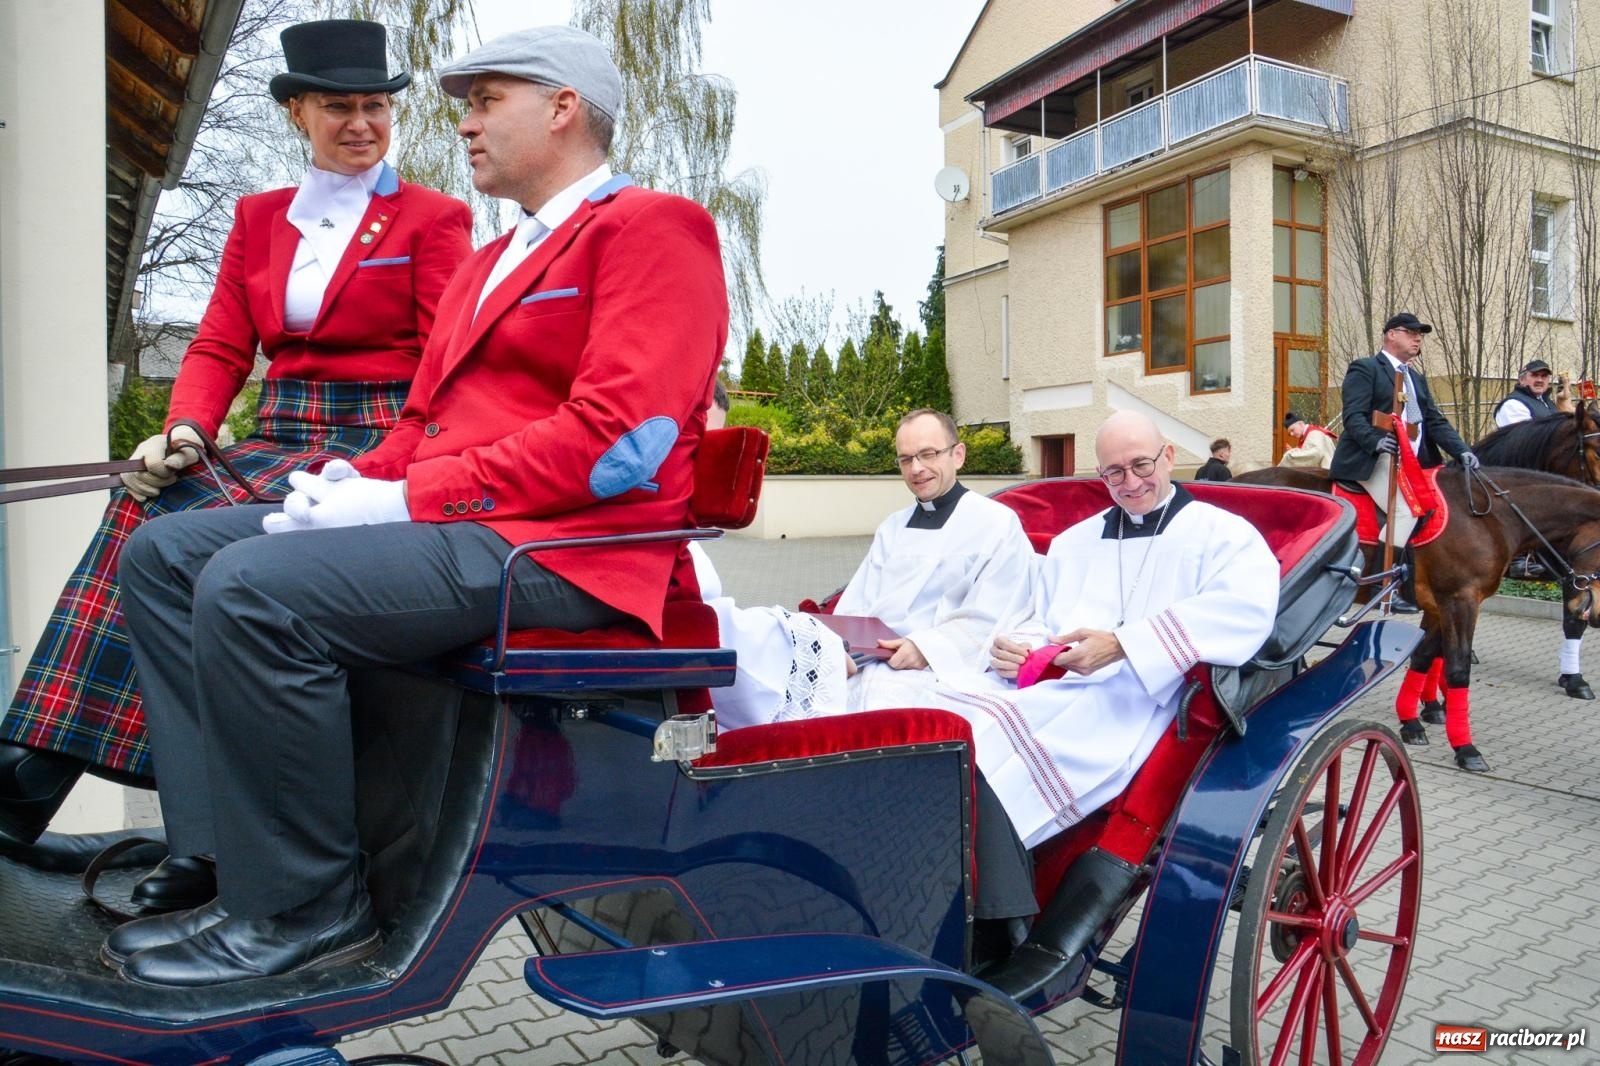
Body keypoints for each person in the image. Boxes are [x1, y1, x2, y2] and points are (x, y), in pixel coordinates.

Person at [104, 24, 728, 987]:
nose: (464, 126)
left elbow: (620, 444)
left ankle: (310, 906)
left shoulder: (652, 227)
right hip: (467, 522)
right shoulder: (487, 262)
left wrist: (407, 496)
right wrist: (356, 482)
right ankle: (231, 861)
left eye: (484, 103)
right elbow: (426, 420)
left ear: (562, 107)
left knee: (251, 589)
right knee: (165, 554)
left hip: (562, 551)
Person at [0, 19, 473, 906]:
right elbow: (220, 342)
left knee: (185, 537)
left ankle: (78, 795)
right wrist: (183, 428)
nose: (362, 122)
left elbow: (448, 358)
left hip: (374, 432)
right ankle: (43, 780)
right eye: (340, 105)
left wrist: (402, 462)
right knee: (141, 505)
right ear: (299, 112)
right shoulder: (260, 219)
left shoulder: (433, 218)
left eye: (376, 105)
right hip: (279, 426)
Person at [882, 411, 1277, 972]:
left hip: (1142, 700)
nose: (1130, 481)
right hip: (1061, 688)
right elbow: (1038, 620)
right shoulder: (1074, 542)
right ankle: (961, 898)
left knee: (993, 755)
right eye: (1114, 472)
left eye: (1141, 464)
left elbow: (1243, 614)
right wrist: (1014, 647)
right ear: (1100, 474)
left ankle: (1000, 923)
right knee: (959, 734)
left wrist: (1121, 645)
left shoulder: (1224, 536)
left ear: (1168, 457)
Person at [1328, 313, 1478, 612]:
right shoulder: (1366, 368)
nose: (1417, 337)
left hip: (1412, 462)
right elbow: (1353, 416)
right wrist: (1374, 441)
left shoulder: (1415, 379)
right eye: (1411, 332)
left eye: (1420, 333)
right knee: (1407, 510)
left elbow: (1433, 420)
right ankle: (1378, 584)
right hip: (1373, 457)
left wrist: (1461, 450)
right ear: (1391, 335)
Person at [1494, 358, 1559, 427]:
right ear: (1522, 380)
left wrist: (1563, 401)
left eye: (1544, 376)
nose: (1540, 380)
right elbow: (1523, 436)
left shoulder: (1547, 402)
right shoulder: (1513, 404)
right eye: (1535, 375)